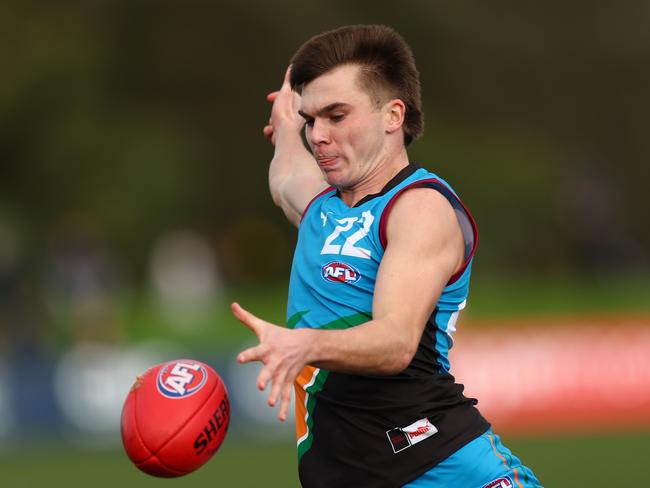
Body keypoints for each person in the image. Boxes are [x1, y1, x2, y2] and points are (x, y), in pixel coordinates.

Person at [231, 25, 541, 488]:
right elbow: (285, 176)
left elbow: (395, 342)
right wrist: (286, 120)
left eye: (337, 115)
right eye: (313, 119)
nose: (319, 135)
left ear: (393, 115)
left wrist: (304, 345)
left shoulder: (419, 208)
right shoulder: (322, 208)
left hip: (439, 465)